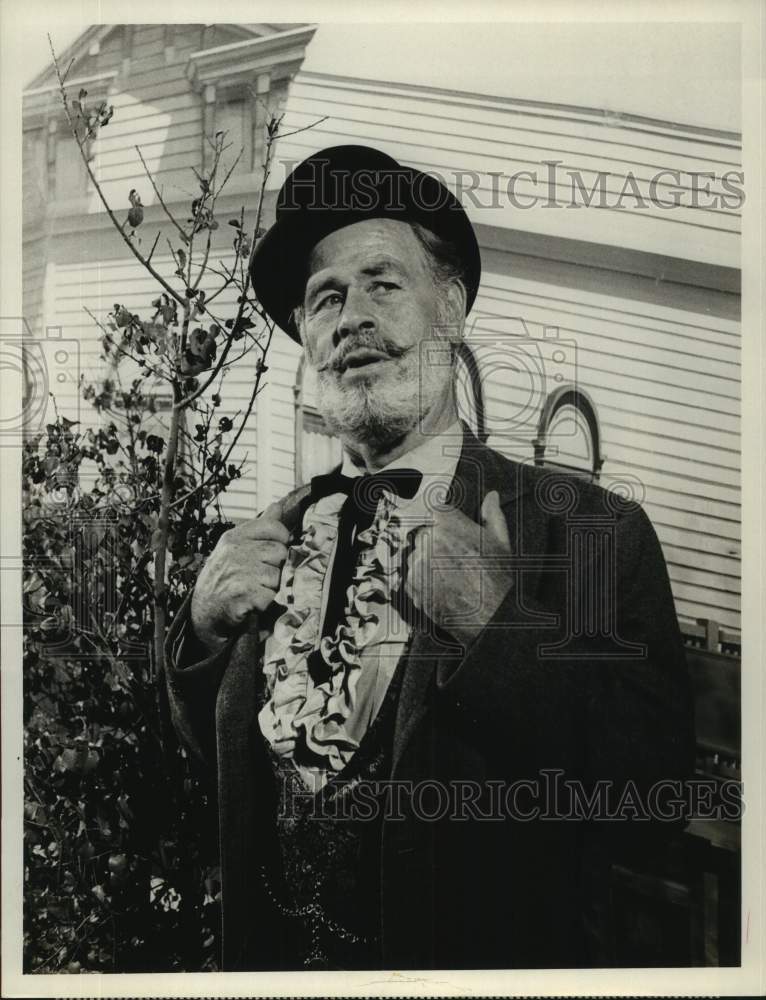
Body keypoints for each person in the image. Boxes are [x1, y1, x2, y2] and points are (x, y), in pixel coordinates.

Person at [163, 145, 695, 971]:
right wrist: (200, 632)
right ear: (308, 339)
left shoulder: (592, 533)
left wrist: (494, 627)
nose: (351, 318)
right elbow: (217, 781)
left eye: (383, 282)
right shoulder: (265, 538)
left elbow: (646, 801)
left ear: (448, 308)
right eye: (325, 299)